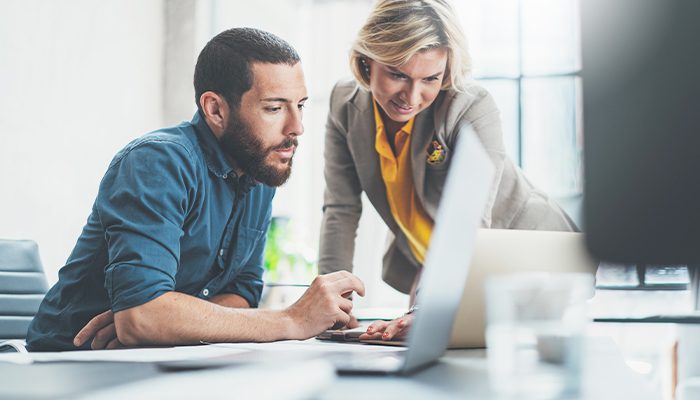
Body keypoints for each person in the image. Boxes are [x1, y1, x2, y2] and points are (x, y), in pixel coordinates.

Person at [26, 27, 364, 351]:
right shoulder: (157, 162)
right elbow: (141, 318)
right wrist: (291, 320)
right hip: (68, 361)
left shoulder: (258, 169)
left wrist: (166, 320)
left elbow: (242, 293)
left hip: (161, 359)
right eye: (274, 108)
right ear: (215, 109)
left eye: (300, 105)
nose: (297, 127)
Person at [317, 0, 576, 341]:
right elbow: (341, 209)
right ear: (367, 61)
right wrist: (332, 305)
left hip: (527, 260)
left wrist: (426, 309)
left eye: (431, 78)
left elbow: (466, 225)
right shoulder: (344, 104)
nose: (412, 95)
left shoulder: (469, 107)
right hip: (437, 268)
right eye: (397, 74)